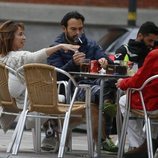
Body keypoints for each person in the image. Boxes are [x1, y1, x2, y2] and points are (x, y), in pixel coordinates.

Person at [47, 11, 118, 153]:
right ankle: (105, 137)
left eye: (80, 28)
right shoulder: (56, 47)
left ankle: (107, 104)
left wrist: (104, 61)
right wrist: (72, 63)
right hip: (70, 88)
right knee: (102, 94)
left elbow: (108, 62)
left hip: (92, 84)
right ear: (64, 28)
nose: (78, 33)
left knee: (109, 84)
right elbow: (56, 76)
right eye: (73, 29)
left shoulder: (90, 44)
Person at [0, 20, 80, 132]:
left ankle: (50, 135)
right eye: (20, 34)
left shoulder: (2, 58)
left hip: (9, 102)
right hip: (28, 102)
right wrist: (59, 46)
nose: (24, 37)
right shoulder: (18, 57)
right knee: (61, 98)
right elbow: (35, 57)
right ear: (9, 37)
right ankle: (57, 140)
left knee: (53, 97)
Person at [116, 47, 158, 158]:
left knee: (123, 100)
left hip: (154, 104)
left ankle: (139, 145)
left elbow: (138, 80)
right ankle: (151, 141)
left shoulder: (155, 54)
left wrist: (122, 83)